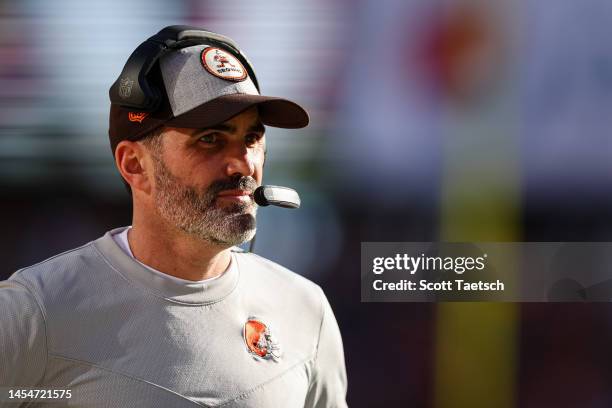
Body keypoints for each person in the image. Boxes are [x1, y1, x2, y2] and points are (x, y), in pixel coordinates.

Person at [0, 26, 348, 407]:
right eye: (211, 139)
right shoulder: (36, 312)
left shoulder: (304, 310)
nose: (244, 163)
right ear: (135, 165)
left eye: (252, 138)